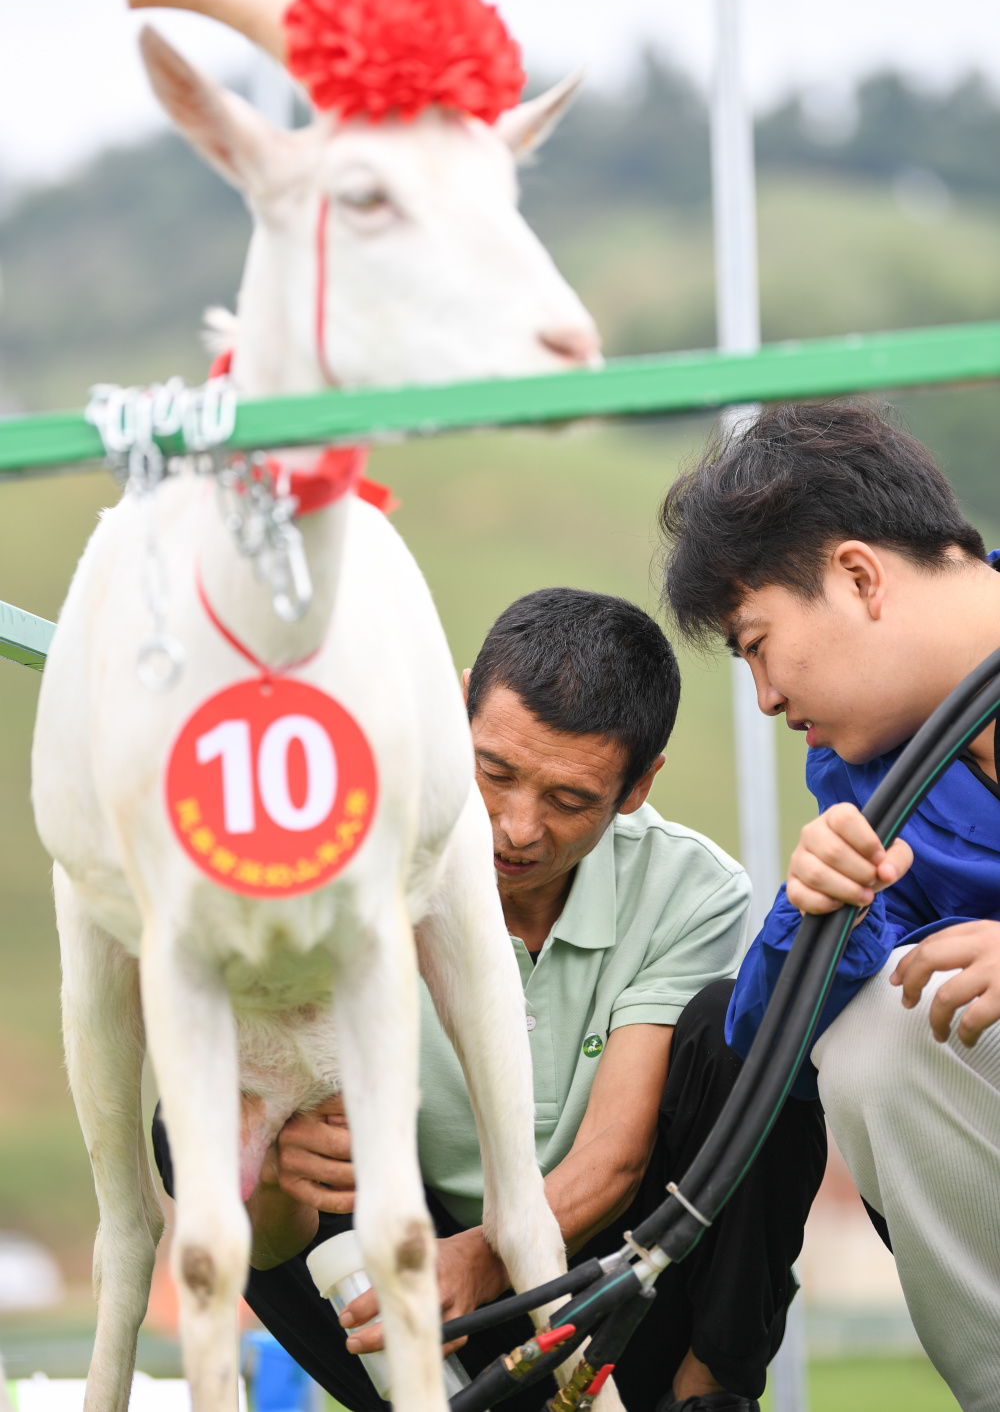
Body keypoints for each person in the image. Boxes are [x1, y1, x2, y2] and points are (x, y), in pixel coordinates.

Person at [152, 588, 826, 1412]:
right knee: (190, 1121)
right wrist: (284, 1168)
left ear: (639, 785)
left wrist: (482, 1257)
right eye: (494, 771)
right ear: (456, 707)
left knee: (744, 1037)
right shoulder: (350, 865)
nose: (516, 827)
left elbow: (616, 1154)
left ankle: (709, 1390)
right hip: (410, 1279)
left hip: (605, 1283)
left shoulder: (694, 889)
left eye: (569, 800)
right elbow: (274, 1239)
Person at [660, 398, 1000, 1412]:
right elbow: (765, 1054)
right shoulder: (859, 778)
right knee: (871, 1045)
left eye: (756, 642)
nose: (762, 696)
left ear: (856, 576)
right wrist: (817, 915)